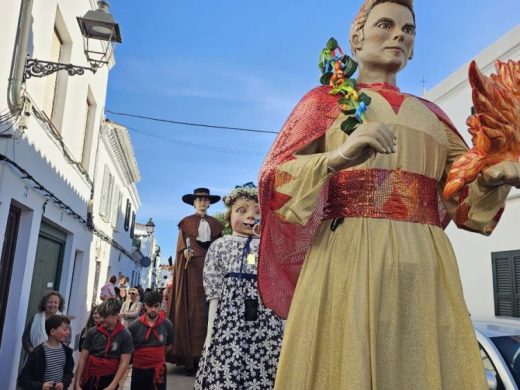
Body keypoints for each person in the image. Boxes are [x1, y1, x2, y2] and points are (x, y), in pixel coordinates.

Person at [258, 1, 520, 388]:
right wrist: (335, 158)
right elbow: (273, 179)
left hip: (424, 260)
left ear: (413, 48)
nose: (399, 34)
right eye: (386, 24)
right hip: (345, 253)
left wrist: (492, 178)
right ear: (357, 37)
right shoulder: (323, 102)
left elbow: (462, 203)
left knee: (422, 361)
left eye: (409, 30)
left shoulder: (432, 115)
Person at [195, 184, 283, 389]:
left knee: (264, 359)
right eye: (242, 211)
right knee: (228, 358)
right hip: (229, 319)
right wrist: (210, 333)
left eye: (257, 211)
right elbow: (213, 289)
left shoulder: (269, 246)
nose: (250, 217)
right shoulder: (221, 245)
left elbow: (280, 285)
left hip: (265, 317)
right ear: (229, 215)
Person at [168, 187, 224, 374]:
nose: (202, 203)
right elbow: (181, 247)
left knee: (211, 310)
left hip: (211, 268)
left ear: (209, 203)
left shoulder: (216, 224)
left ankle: (209, 357)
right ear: (194, 203)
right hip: (192, 271)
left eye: (205, 200)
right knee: (192, 312)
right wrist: (185, 253)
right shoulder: (185, 223)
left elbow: (221, 247)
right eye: (199, 200)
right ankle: (190, 358)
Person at [74, 299, 133, 390]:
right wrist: (77, 383)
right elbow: (83, 358)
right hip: (89, 377)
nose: (101, 319)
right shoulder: (92, 332)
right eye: (101, 316)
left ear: (116, 316)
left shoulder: (125, 335)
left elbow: (124, 362)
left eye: (105, 317)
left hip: (110, 378)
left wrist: (113, 385)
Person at [128, 291, 174, 390]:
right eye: (150, 306)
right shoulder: (134, 326)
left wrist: (156, 357)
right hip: (139, 370)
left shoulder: (167, 324)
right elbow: (128, 350)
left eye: (156, 306)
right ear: (145, 306)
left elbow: (169, 346)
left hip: (158, 369)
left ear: (160, 306)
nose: (153, 309)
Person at [18, 315, 74, 390]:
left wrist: (63, 384)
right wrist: (41, 386)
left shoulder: (67, 352)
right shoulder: (38, 353)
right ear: (53, 331)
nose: (68, 332)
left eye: (68, 329)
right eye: (65, 329)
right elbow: (23, 380)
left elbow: (69, 373)